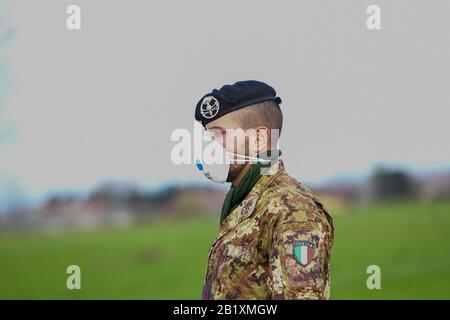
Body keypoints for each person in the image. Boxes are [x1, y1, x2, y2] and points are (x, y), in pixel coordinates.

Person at [194, 80, 334, 300]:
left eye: (220, 135)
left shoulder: (294, 212)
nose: (209, 148)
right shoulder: (243, 203)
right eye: (209, 138)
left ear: (259, 139)